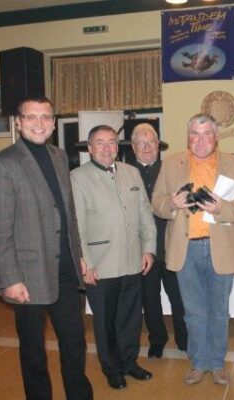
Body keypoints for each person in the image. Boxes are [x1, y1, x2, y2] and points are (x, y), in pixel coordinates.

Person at [0, 96, 93, 399]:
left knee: (75, 341)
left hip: (66, 268)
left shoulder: (59, 156)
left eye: (45, 117)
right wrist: (10, 278)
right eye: (31, 117)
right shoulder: (2, 164)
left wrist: (78, 254)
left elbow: (68, 212)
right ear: (19, 123)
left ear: (54, 123)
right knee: (33, 352)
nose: (39, 123)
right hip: (28, 275)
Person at [151, 113, 234, 386]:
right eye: (194, 134)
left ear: (216, 136)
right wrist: (172, 204)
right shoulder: (171, 163)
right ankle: (198, 362)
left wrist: (222, 208)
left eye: (206, 133)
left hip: (221, 247)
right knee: (193, 312)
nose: (200, 140)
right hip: (185, 249)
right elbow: (156, 202)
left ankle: (217, 363)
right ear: (188, 137)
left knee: (219, 311)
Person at [71, 125, 156, 390]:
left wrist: (148, 248)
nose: (107, 148)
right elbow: (77, 225)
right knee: (105, 321)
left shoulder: (131, 172)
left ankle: (129, 362)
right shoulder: (78, 177)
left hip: (132, 260)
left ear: (118, 147)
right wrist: (86, 263)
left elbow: (145, 214)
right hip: (101, 263)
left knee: (131, 318)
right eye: (100, 143)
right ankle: (112, 368)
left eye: (112, 142)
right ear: (90, 148)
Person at [129, 122, 188, 359]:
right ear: (133, 147)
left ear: (158, 145)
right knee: (150, 300)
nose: (147, 147)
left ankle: (184, 338)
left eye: (151, 142)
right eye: (141, 143)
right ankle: (157, 339)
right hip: (142, 250)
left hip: (171, 245)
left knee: (179, 297)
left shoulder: (171, 170)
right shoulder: (124, 173)